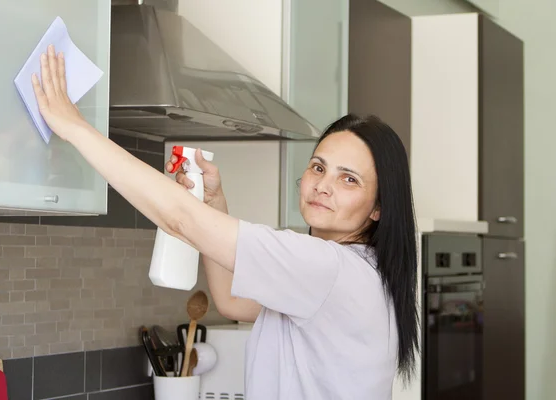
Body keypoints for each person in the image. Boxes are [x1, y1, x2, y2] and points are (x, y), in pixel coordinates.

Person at [32, 45, 419, 400]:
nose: (323, 185)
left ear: (378, 208)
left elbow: (179, 219)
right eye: (319, 167)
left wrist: (75, 127)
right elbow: (233, 301)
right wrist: (214, 203)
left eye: (349, 179)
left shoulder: (325, 266)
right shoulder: (358, 270)